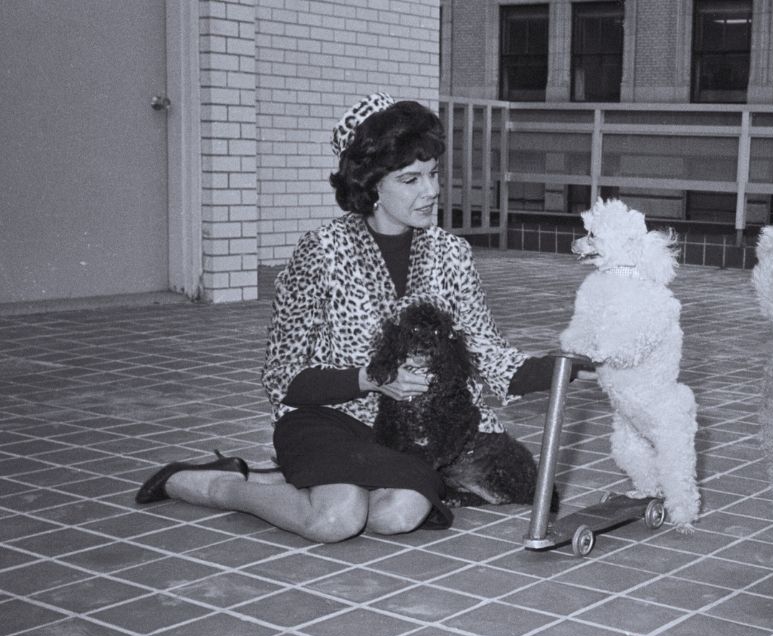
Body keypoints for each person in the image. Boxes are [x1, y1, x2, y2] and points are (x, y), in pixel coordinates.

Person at [136, 93, 571, 542]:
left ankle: (297, 478)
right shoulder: (320, 251)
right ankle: (216, 484)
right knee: (336, 520)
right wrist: (370, 379)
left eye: (433, 173)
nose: (431, 190)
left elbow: (488, 355)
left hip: (404, 431)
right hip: (326, 415)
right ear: (372, 186)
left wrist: (574, 362)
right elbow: (282, 377)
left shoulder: (453, 254)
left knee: (396, 516)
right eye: (411, 179)